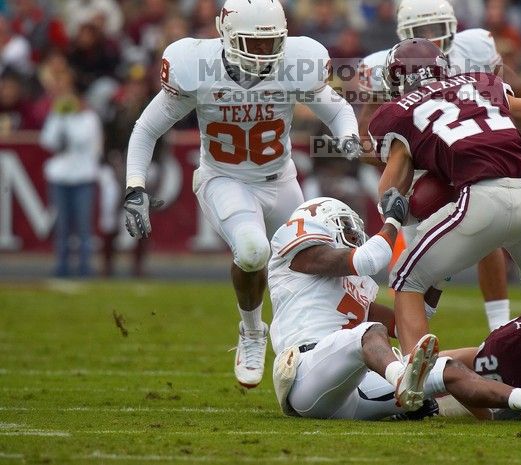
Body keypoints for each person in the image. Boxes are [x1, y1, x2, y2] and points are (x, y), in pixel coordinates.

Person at [123, 0, 362, 389]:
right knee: (253, 252)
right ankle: (252, 332)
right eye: (255, 43)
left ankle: (321, 346)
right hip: (224, 179)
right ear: (227, 36)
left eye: (272, 43)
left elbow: (336, 110)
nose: (265, 53)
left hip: (281, 180)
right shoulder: (197, 68)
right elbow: (147, 128)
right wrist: (135, 187)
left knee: (312, 265)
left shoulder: (294, 62)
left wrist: (348, 138)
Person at [357, 0, 521, 333]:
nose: (432, 37)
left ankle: (425, 346)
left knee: (414, 271)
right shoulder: (479, 78)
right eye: (423, 31)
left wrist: (394, 206)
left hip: (470, 182)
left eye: (437, 29)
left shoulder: (417, 84)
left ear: (453, 28)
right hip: (505, 176)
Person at [268, 194, 521, 420]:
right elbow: (370, 259)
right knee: (367, 333)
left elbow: (409, 322)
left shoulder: (356, 286)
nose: (354, 231)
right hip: (306, 376)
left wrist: (443, 269)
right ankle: (403, 379)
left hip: (356, 388)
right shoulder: (299, 255)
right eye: (346, 225)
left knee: (449, 368)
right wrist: (393, 220)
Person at [40, 68, 102, 277]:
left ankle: (85, 266)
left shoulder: (89, 119)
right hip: (59, 176)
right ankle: (62, 266)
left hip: (83, 176)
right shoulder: (57, 115)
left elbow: (86, 142)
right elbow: (48, 141)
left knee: (84, 225)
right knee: (63, 224)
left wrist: (70, 120)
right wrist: (60, 118)